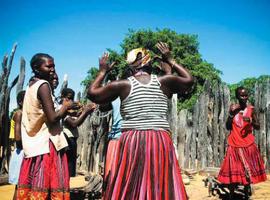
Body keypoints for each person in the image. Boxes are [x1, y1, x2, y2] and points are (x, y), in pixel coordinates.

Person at [87, 42, 194, 199]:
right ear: (150, 62)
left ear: (131, 66)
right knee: (159, 179)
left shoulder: (122, 84)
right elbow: (189, 80)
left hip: (133, 139)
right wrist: (171, 61)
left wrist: (102, 72)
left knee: (131, 181)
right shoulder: (164, 81)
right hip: (160, 138)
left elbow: (93, 93)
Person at [17, 53, 75, 200]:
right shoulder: (43, 86)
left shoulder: (31, 86)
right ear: (36, 68)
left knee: (34, 185)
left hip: (35, 144)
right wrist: (65, 106)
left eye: (53, 66)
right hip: (46, 144)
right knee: (48, 187)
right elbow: (53, 117)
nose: (52, 69)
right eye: (48, 66)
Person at [218, 86, 267, 198]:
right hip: (234, 144)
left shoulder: (251, 109)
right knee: (233, 171)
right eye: (242, 95)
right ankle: (231, 195)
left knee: (247, 172)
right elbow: (228, 126)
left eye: (246, 95)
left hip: (248, 145)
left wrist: (250, 121)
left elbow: (258, 126)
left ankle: (246, 195)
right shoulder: (233, 109)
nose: (244, 97)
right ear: (237, 96)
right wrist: (231, 114)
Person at [61, 88, 96, 177]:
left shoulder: (71, 111)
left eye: (72, 98)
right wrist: (85, 112)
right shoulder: (63, 111)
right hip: (67, 139)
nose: (72, 101)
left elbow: (77, 121)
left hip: (72, 139)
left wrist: (86, 112)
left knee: (71, 165)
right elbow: (74, 124)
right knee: (68, 165)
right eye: (69, 98)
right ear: (63, 98)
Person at [8, 91, 25, 200]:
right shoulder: (19, 114)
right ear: (20, 102)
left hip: (25, 152)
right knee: (19, 187)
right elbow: (18, 138)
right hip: (21, 153)